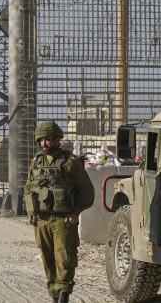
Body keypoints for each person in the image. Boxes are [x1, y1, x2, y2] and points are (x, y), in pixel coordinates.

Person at [24, 121, 95, 303]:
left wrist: (76, 211)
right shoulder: (36, 162)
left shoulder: (70, 162)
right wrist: (31, 212)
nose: (44, 144)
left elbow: (86, 191)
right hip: (41, 219)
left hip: (63, 219)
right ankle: (54, 295)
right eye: (41, 140)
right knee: (47, 259)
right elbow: (29, 188)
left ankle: (64, 295)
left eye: (47, 140)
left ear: (57, 140)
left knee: (64, 257)